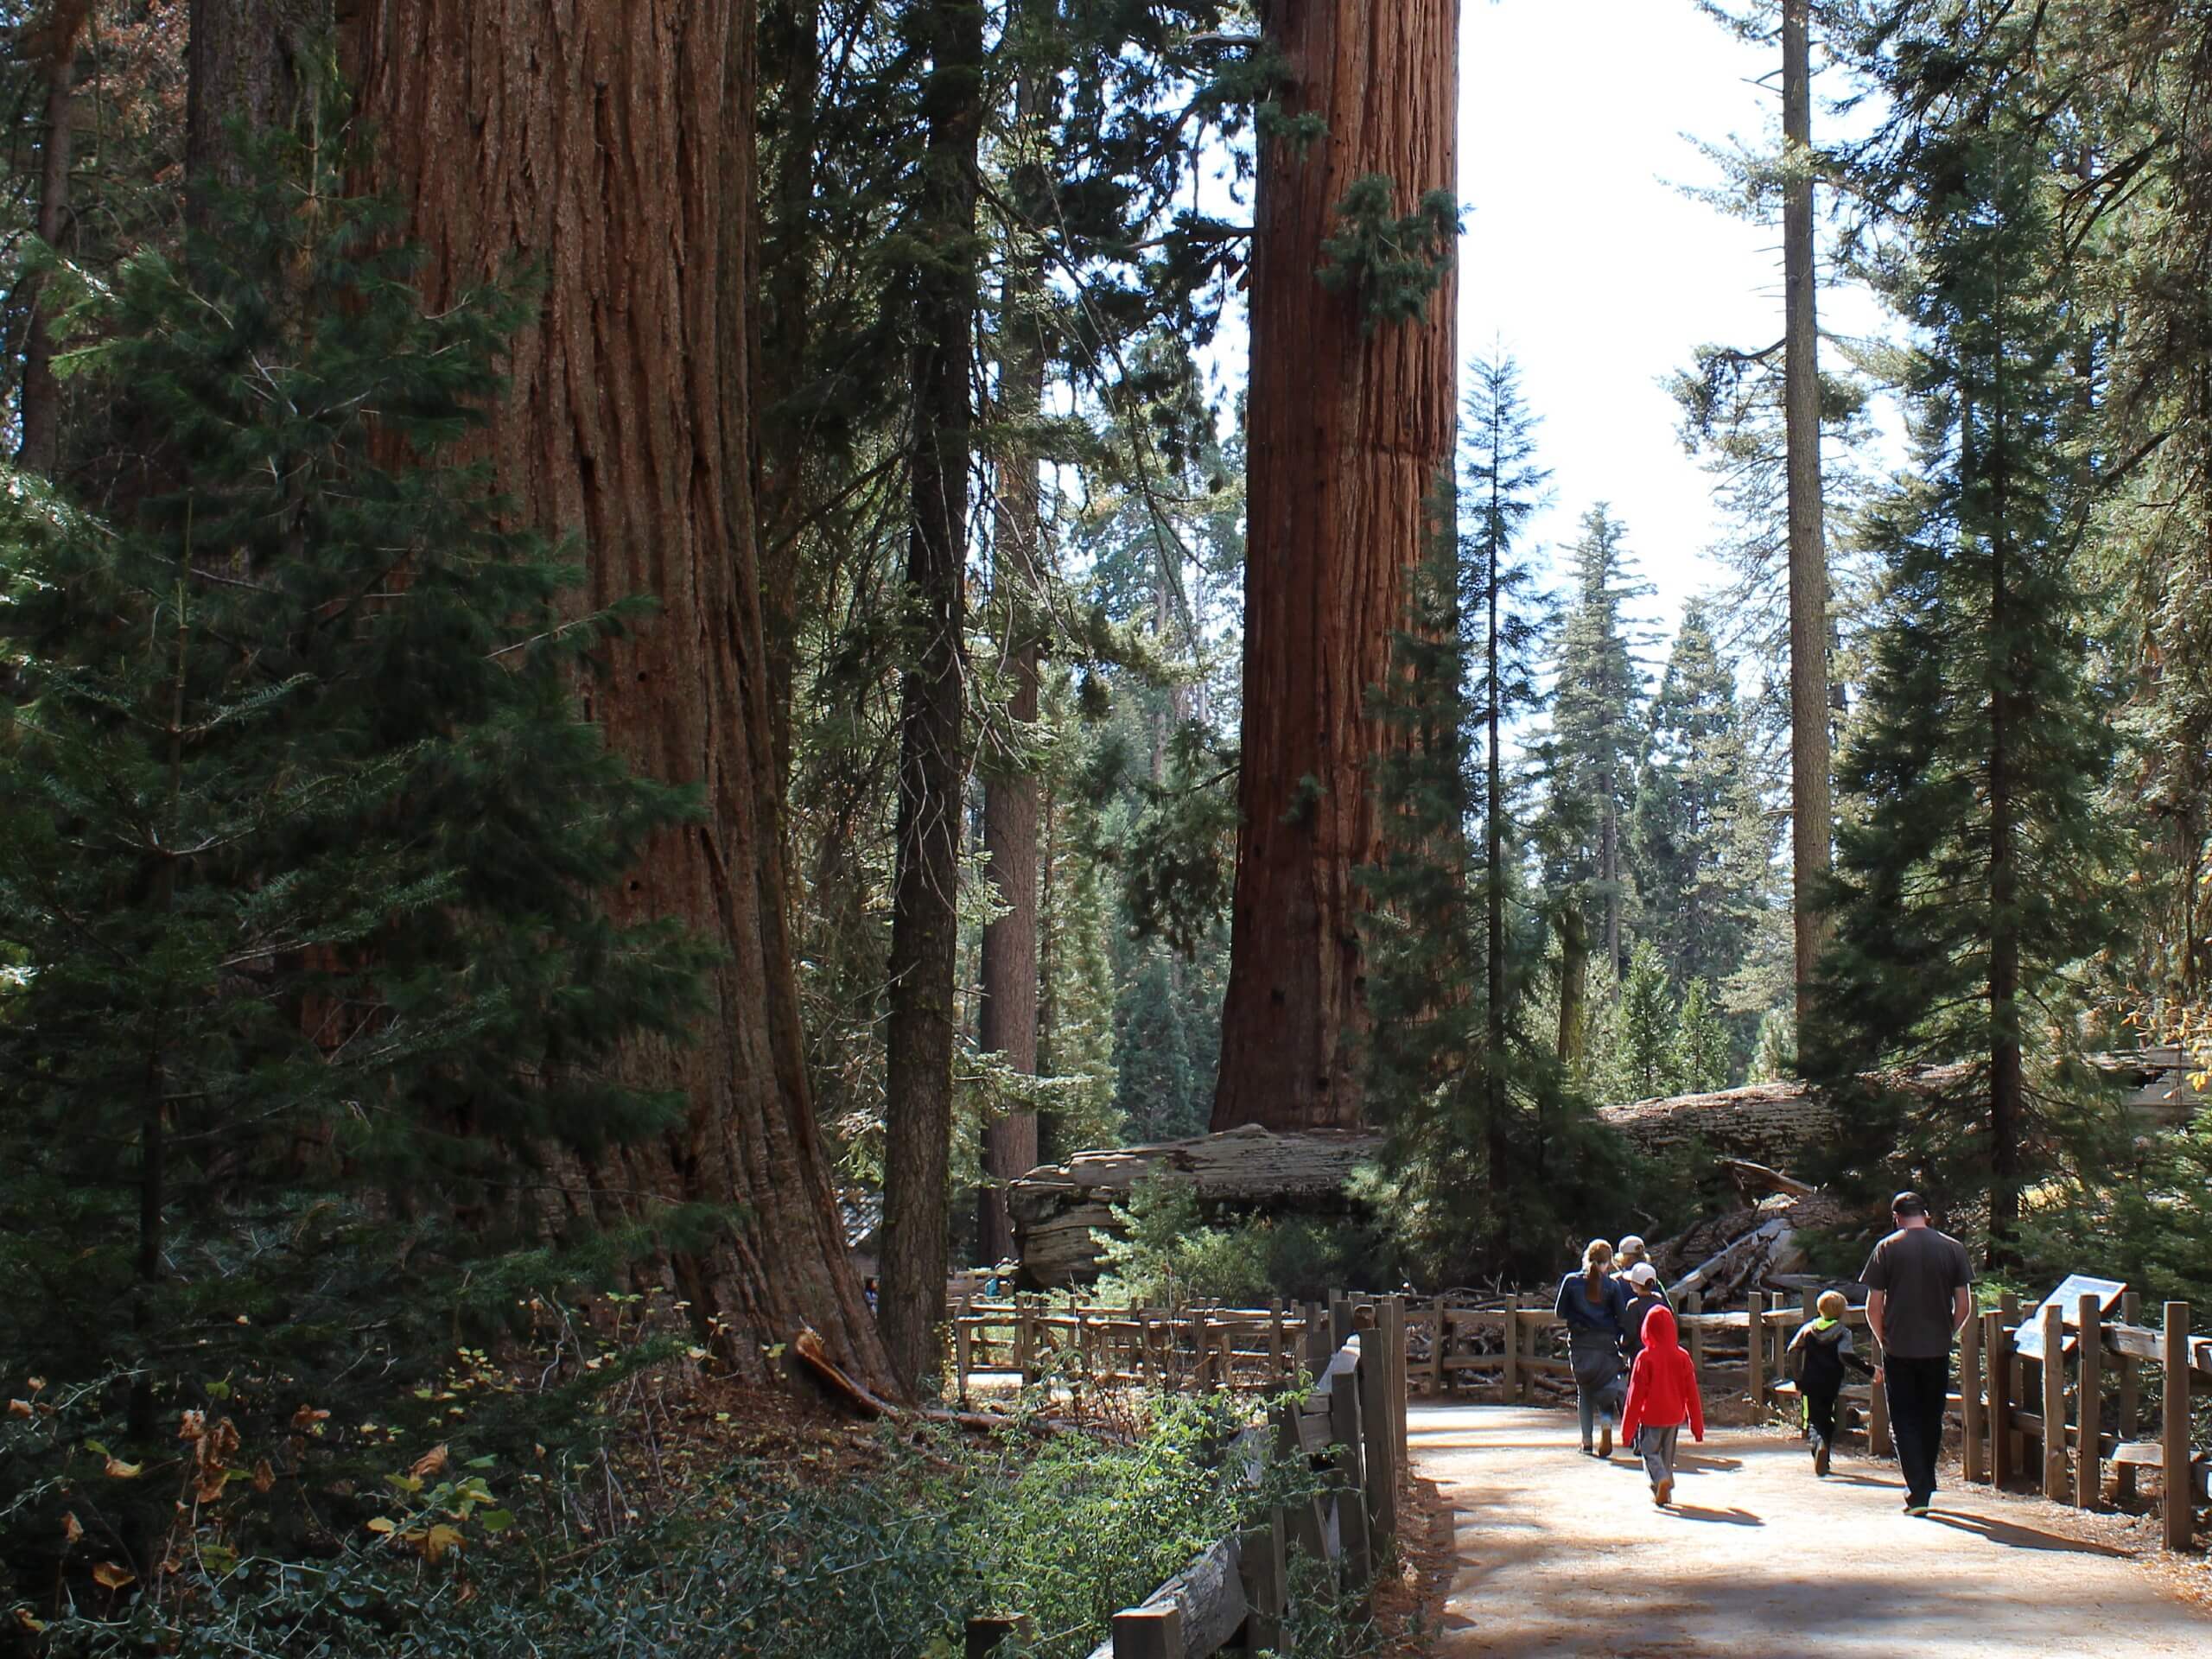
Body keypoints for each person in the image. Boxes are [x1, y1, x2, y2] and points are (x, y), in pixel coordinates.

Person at [1859, 1190, 1974, 1516]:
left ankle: (1919, 1490)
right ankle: (1926, 1481)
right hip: (1936, 1348)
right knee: (1929, 1417)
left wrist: (1884, 1340)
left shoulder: (1886, 1248)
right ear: (1926, 1214)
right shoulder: (1953, 1248)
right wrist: (1947, 1334)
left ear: (1896, 1217)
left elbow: (1873, 1305)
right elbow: (1963, 1305)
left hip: (1899, 1349)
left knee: (1904, 1420)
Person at [1619, 1302, 1705, 1507]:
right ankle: (1666, 1492)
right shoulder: (1683, 1356)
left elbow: (1634, 1395)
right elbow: (1692, 1394)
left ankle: (1660, 1480)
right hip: (1674, 1416)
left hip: (1651, 1415)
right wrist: (1697, 1427)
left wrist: (1627, 1430)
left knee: (1649, 1452)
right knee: (1667, 1455)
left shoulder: (1645, 1357)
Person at [1786, 1288, 1874, 1476]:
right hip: (1832, 1381)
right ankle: (1824, 1457)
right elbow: (1846, 1355)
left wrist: (1798, 1379)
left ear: (1820, 1309)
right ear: (1842, 1312)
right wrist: (1870, 1370)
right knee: (1827, 1417)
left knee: (1812, 1421)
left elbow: (1793, 1351)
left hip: (1810, 1382)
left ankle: (1820, 1445)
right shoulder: (1843, 1332)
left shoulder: (1808, 1329)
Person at [1555, 1240, 1630, 1458]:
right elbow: (1623, 1318)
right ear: (1608, 1263)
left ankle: (1586, 1441)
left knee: (1585, 1391)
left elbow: (1560, 1312)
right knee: (1606, 1389)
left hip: (1580, 1345)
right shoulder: (1613, 1286)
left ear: (1587, 1257)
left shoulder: (1571, 1281)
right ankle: (1606, 1423)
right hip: (1606, 1346)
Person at [1619, 1262, 1669, 1363]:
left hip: (1638, 1351)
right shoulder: (1659, 1299)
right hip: (1658, 1349)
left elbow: (1630, 1332)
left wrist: (1623, 1342)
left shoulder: (1633, 1305)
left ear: (1635, 1285)